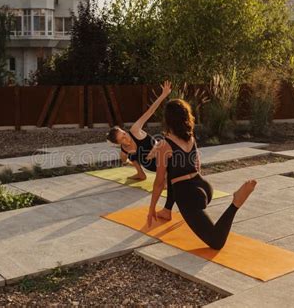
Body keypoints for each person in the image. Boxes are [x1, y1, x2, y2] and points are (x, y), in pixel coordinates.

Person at [147, 99, 257, 250]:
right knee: (173, 176)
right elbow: (196, 165)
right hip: (203, 186)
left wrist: (151, 208)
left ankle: (235, 203)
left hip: (188, 195)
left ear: (167, 120)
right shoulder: (190, 138)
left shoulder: (164, 145)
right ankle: (167, 211)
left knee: (215, 241)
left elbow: (159, 182)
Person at [106, 80, 175, 216]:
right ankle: (140, 174)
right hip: (150, 166)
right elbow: (124, 161)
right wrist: (128, 159)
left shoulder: (135, 130)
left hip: (162, 160)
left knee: (159, 146)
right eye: (122, 139)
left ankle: (167, 177)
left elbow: (150, 111)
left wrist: (163, 95)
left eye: (124, 133)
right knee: (132, 154)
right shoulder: (124, 150)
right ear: (118, 143)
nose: (126, 137)